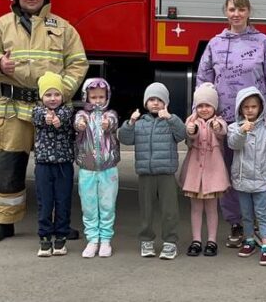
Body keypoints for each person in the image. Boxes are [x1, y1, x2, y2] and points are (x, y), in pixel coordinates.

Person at [0, 0, 88, 243]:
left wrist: (61, 91)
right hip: (13, 109)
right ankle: (4, 223)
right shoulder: (2, 26)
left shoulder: (62, 28)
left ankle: (58, 224)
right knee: (8, 165)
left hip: (52, 112)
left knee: (55, 169)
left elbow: (78, 62)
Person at [195, 0, 266, 249]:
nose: (236, 14)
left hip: (260, 125)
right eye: (231, 10)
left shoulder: (263, 43)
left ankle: (264, 225)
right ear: (225, 13)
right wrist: (203, 113)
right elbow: (204, 83)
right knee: (229, 174)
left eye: (241, 10)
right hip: (227, 124)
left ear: (249, 12)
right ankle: (237, 224)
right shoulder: (215, 44)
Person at [118, 82, 187, 260]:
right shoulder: (140, 123)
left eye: (159, 100)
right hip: (145, 173)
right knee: (146, 210)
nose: (155, 103)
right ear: (145, 103)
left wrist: (170, 118)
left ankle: (170, 242)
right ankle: (146, 240)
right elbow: (125, 139)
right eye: (151, 100)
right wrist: (130, 122)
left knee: (169, 210)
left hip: (166, 173)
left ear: (166, 103)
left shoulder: (170, 121)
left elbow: (182, 134)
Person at [228, 87, 266, 266]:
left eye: (254, 106)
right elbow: (233, 145)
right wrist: (242, 131)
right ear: (240, 109)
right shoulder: (234, 127)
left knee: (263, 213)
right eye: (246, 107)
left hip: (261, 180)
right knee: (246, 214)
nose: (250, 110)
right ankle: (249, 241)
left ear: (261, 108)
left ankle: (265, 246)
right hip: (242, 181)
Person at [179, 82, 230, 257]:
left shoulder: (219, 121)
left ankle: (212, 241)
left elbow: (223, 132)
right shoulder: (191, 121)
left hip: (213, 172)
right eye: (200, 105)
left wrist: (218, 128)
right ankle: (196, 240)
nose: (204, 109)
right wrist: (191, 131)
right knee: (195, 208)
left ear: (214, 106)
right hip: (194, 172)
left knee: (211, 208)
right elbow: (189, 136)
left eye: (208, 105)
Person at [31, 72, 76, 257]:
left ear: (62, 96)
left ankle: (60, 239)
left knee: (63, 202)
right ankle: (44, 239)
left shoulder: (67, 111)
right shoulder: (37, 111)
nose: (53, 98)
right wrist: (47, 118)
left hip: (63, 165)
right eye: (48, 95)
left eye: (56, 94)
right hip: (43, 165)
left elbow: (64, 118)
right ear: (41, 97)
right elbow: (39, 116)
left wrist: (57, 120)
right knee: (45, 203)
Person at [73, 77, 120, 258]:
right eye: (94, 97)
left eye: (101, 97)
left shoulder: (111, 114)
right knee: (89, 206)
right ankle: (92, 239)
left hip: (108, 168)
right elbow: (77, 124)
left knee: (107, 205)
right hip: (87, 169)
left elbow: (113, 123)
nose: (98, 101)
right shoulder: (82, 115)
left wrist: (108, 124)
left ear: (107, 97)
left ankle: (106, 240)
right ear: (87, 97)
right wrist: (80, 125)